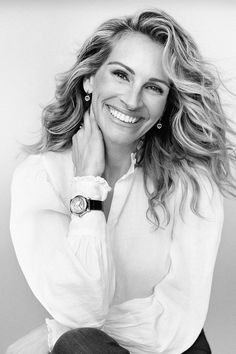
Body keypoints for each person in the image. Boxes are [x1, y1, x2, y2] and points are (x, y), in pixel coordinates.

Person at [9, 9, 236, 354]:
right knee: (80, 343)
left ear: (166, 105)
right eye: (121, 75)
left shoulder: (191, 184)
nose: (132, 100)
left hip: (175, 348)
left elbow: (180, 318)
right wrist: (87, 184)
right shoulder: (41, 178)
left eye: (154, 87)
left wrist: (54, 334)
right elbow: (80, 313)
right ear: (89, 79)